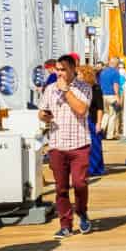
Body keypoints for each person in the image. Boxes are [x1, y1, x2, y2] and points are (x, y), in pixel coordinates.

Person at [41, 54, 95, 238]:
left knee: (80, 183)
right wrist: (43, 116)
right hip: (57, 143)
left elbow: (81, 110)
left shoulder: (84, 88)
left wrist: (65, 91)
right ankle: (65, 224)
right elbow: (41, 111)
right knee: (61, 188)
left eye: (63, 69)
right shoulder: (49, 89)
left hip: (79, 143)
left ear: (73, 69)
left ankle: (82, 210)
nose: (59, 73)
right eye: (57, 69)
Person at [84, 59, 107, 177]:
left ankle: (96, 169)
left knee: (95, 145)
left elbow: (100, 107)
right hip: (84, 120)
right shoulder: (83, 88)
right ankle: (91, 168)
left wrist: (98, 123)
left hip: (93, 120)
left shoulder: (96, 89)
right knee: (88, 146)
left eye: (79, 74)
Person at [97, 61, 125, 139]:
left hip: (103, 95)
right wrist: (118, 97)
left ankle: (101, 131)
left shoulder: (103, 72)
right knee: (113, 115)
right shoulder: (115, 73)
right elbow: (115, 85)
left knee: (106, 114)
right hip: (112, 96)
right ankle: (110, 135)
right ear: (116, 65)